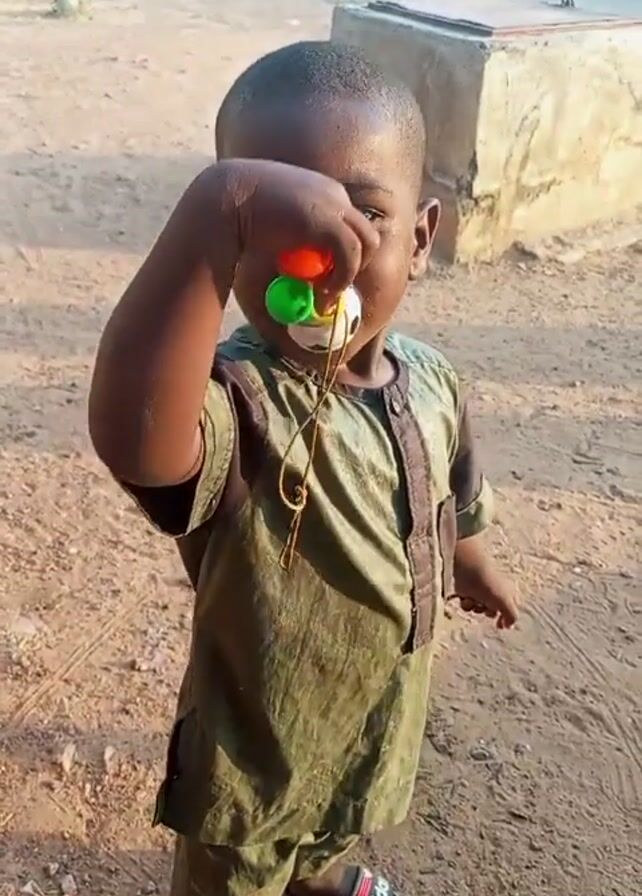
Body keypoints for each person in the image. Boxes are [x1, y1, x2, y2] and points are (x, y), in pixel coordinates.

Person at [88, 40, 518, 896]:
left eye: (361, 215)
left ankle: (318, 878)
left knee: (331, 824)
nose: (316, 261)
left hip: (371, 711)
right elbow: (140, 438)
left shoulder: (432, 380)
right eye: (274, 225)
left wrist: (470, 563)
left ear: (422, 237)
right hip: (255, 745)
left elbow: (450, 491)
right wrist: (214, 210)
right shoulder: (239, 400)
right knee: (239, 868)